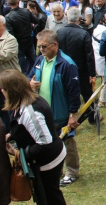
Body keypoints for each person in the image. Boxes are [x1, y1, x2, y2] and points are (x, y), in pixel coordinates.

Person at [2, 70, 67, 204]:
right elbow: (23, 128)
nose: (1, 92)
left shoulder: (29, 111)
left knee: (49, 197)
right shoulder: (23, 101)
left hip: (49, 161)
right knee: (43, 195)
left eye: (3, 89)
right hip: (43, 159)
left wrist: (20, 153)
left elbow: (45, 144)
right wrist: (10, 136)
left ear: (11, 90)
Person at [28, 29, 81, 187]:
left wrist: (73, 114)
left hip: (60, 112)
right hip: (42, 112)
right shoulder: (40, 61)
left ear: (55, 45)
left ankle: (71, 171)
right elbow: (28, 76)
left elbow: (73, 92)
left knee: (67, 142)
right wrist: (30, 84)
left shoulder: (66, 64)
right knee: (48, 142)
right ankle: (55, 169)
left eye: (44, 46)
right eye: (39, 47)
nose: (41, 50)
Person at [57, 7, 96, 124]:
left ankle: (66, 118)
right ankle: (92, 117)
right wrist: (91, 73)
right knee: (87, 94)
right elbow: (89, 55)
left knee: (66, 94)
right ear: (80, 19)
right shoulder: (83, 33)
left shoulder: (59, 33)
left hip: (64, 69)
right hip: (81, 69)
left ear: (67, 17)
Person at [6, 0, 38, 74]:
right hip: (29, 40)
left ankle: (25, 82)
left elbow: (10, 33)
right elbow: (36, 20)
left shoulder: (8, 17)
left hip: (18, 43)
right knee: (34, 62)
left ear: (9, 4)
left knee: (22, 67)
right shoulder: (26, 11)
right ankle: (39, 77)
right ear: (18, 2)